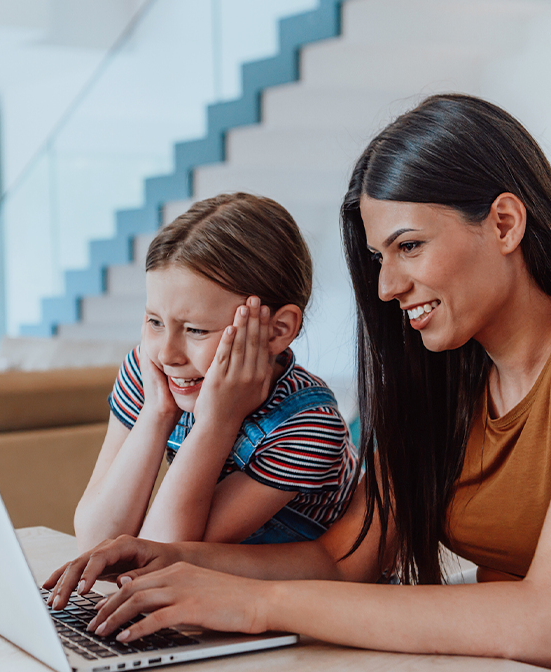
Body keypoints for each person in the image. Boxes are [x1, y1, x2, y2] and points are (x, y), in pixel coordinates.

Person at [45, 94, 551, 672]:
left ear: (504, 222)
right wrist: (175, 561)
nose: (385, 285)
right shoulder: (452, 378)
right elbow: (339, 559)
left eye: (409, 246)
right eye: (380, 256)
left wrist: (252, 603)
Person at [73, 192, 359, 553]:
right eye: (155, 321)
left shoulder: (309, 425)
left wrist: (217, 421)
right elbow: (96, 541)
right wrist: (157, 413)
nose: (167, 353)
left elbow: (164, 554)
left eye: (196, 330)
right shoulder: (152, 374)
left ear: (277, 330)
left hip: (304, 600)